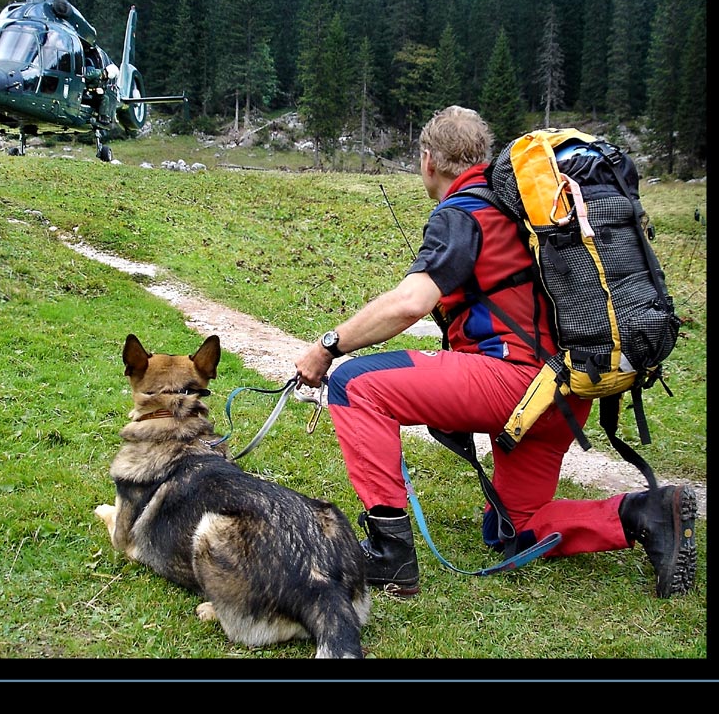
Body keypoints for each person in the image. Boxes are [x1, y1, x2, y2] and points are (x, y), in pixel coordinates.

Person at [294, 105, 697, 599]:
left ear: (427, 161)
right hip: (564, 390)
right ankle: (646, 512)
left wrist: (327, 346)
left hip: (512, 381)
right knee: (513, 528)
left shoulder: (462, 212)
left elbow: (409, 304)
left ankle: (389, 554)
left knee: (355, 385)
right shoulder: (521, 207)